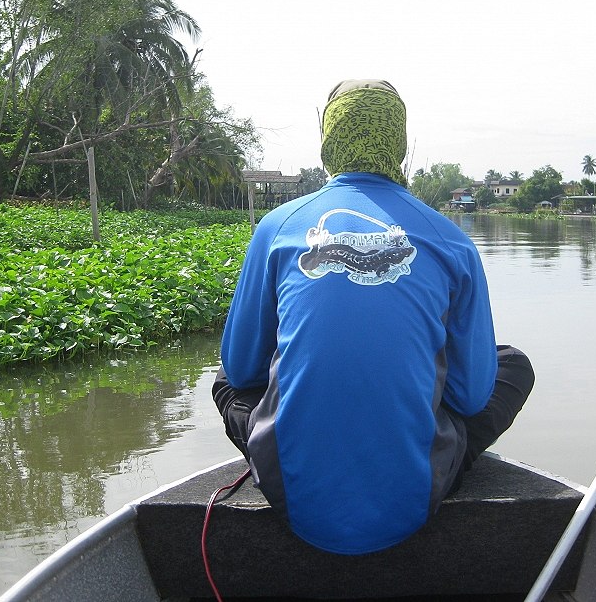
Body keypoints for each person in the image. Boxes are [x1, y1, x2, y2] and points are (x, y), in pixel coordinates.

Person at [213, 79, 534, 555]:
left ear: (330, 141)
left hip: (293, 499)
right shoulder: (451, 240)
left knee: (224, 381)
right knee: (512, 365)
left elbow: (241, 371)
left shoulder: (276, 227)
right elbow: (469, 399)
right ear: (398, 144)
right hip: (411, 505)